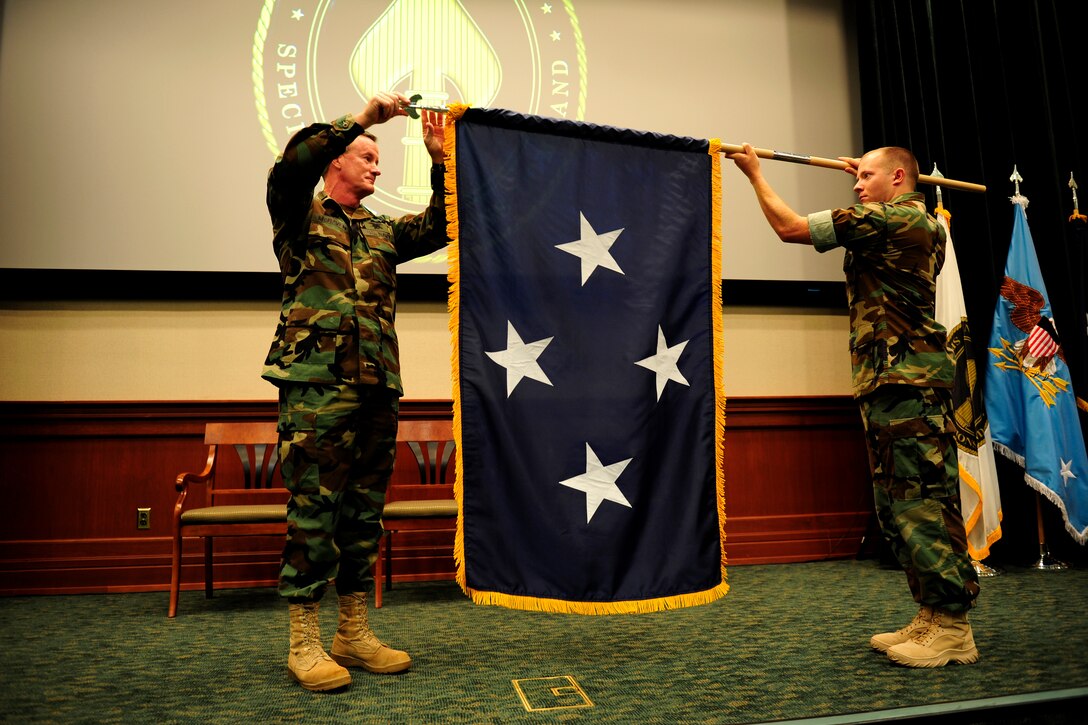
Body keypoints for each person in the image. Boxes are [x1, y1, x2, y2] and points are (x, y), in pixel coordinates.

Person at [727, 143, 980, 668]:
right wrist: (870, 180)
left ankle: (953, 626)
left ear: (900, 177)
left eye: (867, 176)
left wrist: (753, 173)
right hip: (894, 381)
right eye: (855, 177)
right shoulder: (909, 221)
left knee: (919, 502)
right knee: (899, 501)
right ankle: (932, 613)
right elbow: (872, 207)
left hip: (905, 384)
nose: (857, 184)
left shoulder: (892, 221)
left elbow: (791, 228)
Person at [262, 91, 450, 691]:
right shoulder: (300, 217)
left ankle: (353, 632)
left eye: (378, 158)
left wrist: (440, 162)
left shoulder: (382, 233)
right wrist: (363, 119)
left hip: (377, 389)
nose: (375, 165)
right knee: (314, 514)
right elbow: (289, 166)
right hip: (316, 389)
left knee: (364, 514)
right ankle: (304, 642)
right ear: (335, 161)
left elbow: (444, 225)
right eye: (366, 156)